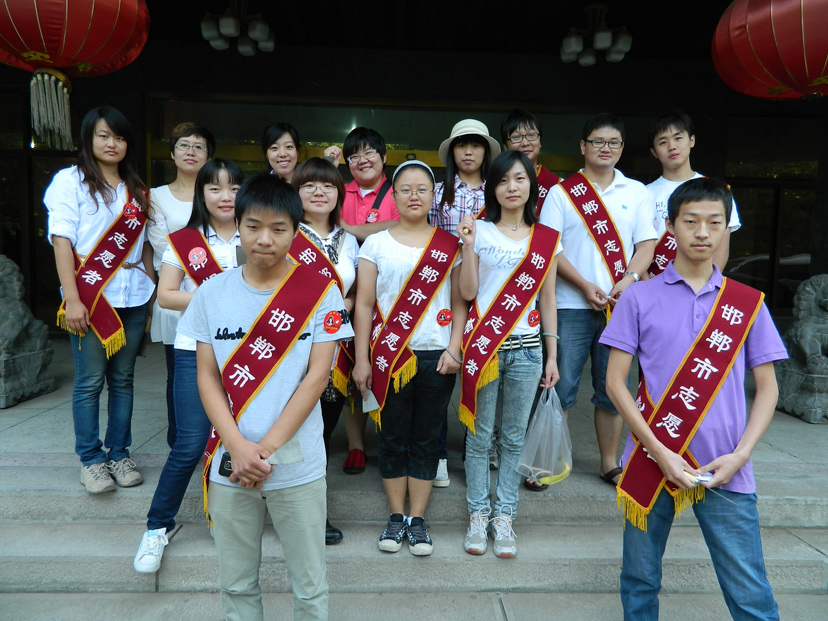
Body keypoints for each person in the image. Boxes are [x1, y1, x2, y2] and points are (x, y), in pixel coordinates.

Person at [600, 177, 787, 620]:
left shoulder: (747, 302)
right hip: (652, 459)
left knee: (749, 591)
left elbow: (768, 388)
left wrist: (741, 455)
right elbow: (614, 383)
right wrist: (659, 452)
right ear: (670, 226)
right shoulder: (638, 297)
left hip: (725, 465)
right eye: (690, 221)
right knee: (640, 581)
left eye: (714, 222)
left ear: (726, 228)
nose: (702, 232)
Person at [177, 173, 351, 620]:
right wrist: (239, 448)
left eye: (278, 228)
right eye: (253, 226)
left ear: (295, 232)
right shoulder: (212, 293)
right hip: (230, 465)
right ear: (238, 225)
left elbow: (317, 378)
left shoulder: (321, 292)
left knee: (310, 588)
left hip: (298, 465)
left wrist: (264, 449)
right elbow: (206, 376)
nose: (265, 239)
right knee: (236, 585)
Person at [134, 158, 243, 574]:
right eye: (215, 188)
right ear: (202, 194)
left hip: (248, 354)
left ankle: (226, 516)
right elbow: (166, 295)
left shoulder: (257, 234)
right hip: (194, 350)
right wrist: (220, 297)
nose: (225, 196)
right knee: (190, 443)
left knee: (240, 439)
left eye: (234, 187)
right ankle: (157, 527)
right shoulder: (183, 240)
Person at [352, 160, 466, 556]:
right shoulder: (376, 243)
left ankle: (418, 520)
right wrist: (362, 359)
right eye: (405, 189)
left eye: (422, 189)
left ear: (433, 196)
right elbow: (364, 305)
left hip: (437, 355)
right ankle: (395, 515)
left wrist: (455, 347)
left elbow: (460, 303)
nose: (414, 195)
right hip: (390, 356)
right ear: (394, 195)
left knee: (426, 438)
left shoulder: (449, 245)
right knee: (392, 437)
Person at [539, 112, 656, 486]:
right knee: (560, 387)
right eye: (598, 142)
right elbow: (550, 249)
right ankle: (550, 461)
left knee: (613, 389)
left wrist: (629, 280)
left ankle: (609, 463)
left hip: (620, 308)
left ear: (621, 148)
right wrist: (583, 284)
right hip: (569, 305)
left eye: (613, 142)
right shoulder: (562, 192)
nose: (605, 148)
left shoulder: (637, 192)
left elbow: (647, 244)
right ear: (583, 146)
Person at [457, 150, 560, 558]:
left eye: (519, 179)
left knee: (514, 439)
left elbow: (548, 299)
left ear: (531, 185)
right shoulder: (479, 231)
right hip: (486, 347)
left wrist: (552, 355)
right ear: (493, 189)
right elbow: (468, 292)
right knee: (480, 436)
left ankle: (504, 517)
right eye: (502, 181)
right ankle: (478, 514)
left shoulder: (546, 238)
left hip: (528, 349)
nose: (512, 187)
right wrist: (468, 247)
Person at [45, 106, 154, 494]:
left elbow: (144, 248)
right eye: (104, 135)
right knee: (90, 382)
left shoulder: (137, 190)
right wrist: (72, 299)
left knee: (123, 381)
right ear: (88, 139)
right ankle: (91, 461)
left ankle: (120, 454)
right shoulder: (70, 181)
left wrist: (151, 289)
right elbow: (62, 242)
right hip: (91, 300)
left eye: (120, 137)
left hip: (134, 297)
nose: (112, 144)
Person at [290, 157, 360, 546]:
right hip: (293, 353)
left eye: (328, 185)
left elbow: (358, 294)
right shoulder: (285, 233)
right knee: (293, 432)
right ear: (296, 191)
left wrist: (343, 306)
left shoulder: (349, 240)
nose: (319, 192)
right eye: (309, 185)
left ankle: (314, 512)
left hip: (335, 356)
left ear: (338, 194)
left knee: (321, 435)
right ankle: (299, 510)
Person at [429, 118, 500, 487]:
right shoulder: (436, 193)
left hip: (490, 294)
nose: (468, 152)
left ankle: (480, 448)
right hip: (443, 293)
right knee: (441, 373)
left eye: (475, 145)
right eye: (461, 145)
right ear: (452, 151)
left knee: (484, 373)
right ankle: (438, 452)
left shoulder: (499, 192)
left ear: (486, 151)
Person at [147, 122, 216, 449]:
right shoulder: (156, 196)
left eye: (199, 146)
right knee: (179, 371)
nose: (191, 151)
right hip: (177, 293)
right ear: (172, 154)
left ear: (208, 156)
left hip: (219, 293)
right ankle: (181, 441)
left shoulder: (217, 193)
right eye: (184, 145)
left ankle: (214, 437)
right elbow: (162, 245)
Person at [339, 126, 400, 476]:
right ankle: (356, 445)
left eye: (369, 153)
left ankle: (390, 439)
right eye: (354, 155)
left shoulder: (398, 189)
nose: (362, 160)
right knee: (353, 364)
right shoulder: (337, 189)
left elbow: (402, 225)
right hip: (349, 292)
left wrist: (351, 228)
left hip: (391, 292)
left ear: (384, 157)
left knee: (390, 362)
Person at [646, 111, 741, 277]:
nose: (672, 146)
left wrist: (706, 286)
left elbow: (721, 249)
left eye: (678, 138)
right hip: (654, 283)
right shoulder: (643, 194)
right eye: (663, 142)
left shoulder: (717, 191)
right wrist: (647, 286)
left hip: (700, 284)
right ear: (654, 151)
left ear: (691, 140)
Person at [500, 109, 562, 216]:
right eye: (516, 137)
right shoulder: (497, 185)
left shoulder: (559, 186)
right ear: (505, 147)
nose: (525, 143)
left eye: (531, 135)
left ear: (540, 142)